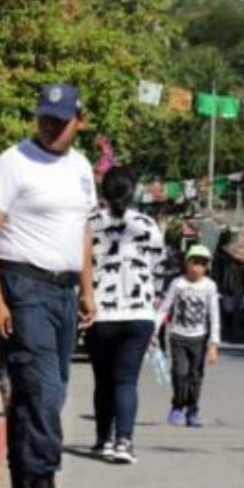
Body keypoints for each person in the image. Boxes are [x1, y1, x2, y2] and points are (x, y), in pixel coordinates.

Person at [0, 83, 94, 488]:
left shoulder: (82, 167)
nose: (50, 127)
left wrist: (87, 289)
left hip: (63, 292)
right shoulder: (13, 162)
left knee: (47, 391)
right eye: (45, 118)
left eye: (60, 122)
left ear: (78, 121)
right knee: (42, 392)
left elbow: (83, 230)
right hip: (24, 286)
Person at [88, 167, 165, 463]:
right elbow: (156, 264)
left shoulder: (90, 223)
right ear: (133, 192)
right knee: (125, 381)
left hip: (100, 313)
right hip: (139, 314)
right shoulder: (147, 224)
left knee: (103, 380)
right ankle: (124, 442)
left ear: (103, 192)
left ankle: (102, 440)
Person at [158, 245, 220, 428]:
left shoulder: (210, 286)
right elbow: (164, 309)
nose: (197, 267)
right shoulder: (177, 283)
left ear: (206, 266)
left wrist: (214, 344)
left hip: (199, 338)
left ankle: (192, 410)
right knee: (180, 373)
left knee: (195, 376)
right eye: (194, 262)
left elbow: (214, 315)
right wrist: (152, 331)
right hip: (178, 336)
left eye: (202, 264)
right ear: (187, 263)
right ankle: (177, 406)